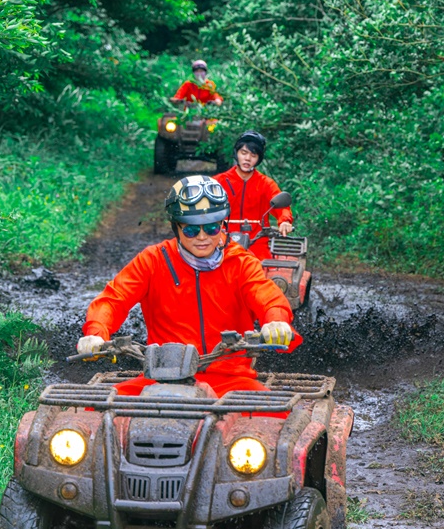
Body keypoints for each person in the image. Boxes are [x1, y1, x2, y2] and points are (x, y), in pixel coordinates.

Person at [76, 175, 298, 397]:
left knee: (272, 417)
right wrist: (96, 333)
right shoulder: (153, 260)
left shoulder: (241, 262)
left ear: (223, 224)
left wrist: (276, 322)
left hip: (229, 380)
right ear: (176, 228)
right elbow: (113, 299)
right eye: (191, 230)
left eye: (211, 228)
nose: (202, 237)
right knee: (94, 413)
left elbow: (267, 295)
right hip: (161, 379)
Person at [215, 130, 294, 262]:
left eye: (253, 155)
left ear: (258, 159)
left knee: (265, 274)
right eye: (243, 153)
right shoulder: (218, 182)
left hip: (256, 244)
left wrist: (285, 221)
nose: (247, 158)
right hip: (222, 241)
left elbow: (281, 205)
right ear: (236, 154)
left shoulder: (265, 183)